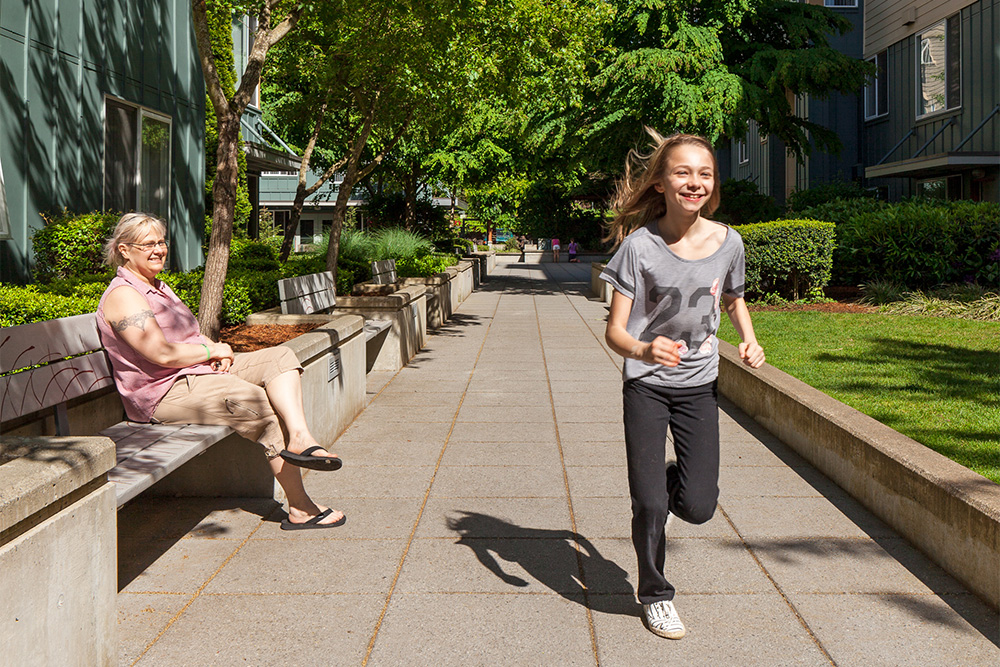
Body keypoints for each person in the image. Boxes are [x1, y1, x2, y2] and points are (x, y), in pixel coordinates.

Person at [599, 131, 765, 639]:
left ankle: (670, 485)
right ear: (662, 183)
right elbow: (614, 331)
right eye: (682, 173)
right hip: (646, 383)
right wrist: (645, 350)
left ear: (713, 185)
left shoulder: (728, 241)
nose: (694, 182)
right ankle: (655, 594)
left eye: (705, 174)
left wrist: (749, 341)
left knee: (697, 506)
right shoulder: (639, 247)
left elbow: (733, 297)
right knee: (647, 503)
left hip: (699, 386)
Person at [96, 213, 346, 530]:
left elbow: (185, 335)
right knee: (258, 403)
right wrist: (212, 350)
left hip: (195, 374)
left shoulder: (157, 286)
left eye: (161, 241)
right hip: (164, 392)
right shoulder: (124, 296)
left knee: (281, 357)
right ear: (123, 249)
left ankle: (301, 438)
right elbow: (159, 352)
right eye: (148, 243)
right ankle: (300, 508)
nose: (159, 249)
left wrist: (215, 348)